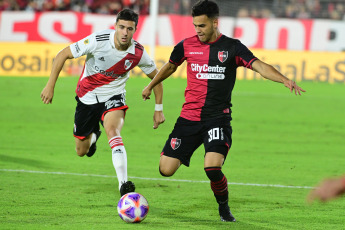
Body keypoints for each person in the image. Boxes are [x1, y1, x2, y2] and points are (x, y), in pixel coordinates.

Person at [142, 0, 305, 222]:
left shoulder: (232, 47)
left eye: (202, 26)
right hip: (188, 119)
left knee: (211, 166)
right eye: (195, 26)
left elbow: (259, 65)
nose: (198, 30)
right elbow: (170, 66)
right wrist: (150, 85)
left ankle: (224, 207)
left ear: (215, 22)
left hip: (217, 119)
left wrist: (284, 79)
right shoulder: (186, 45)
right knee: (166, 169)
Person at [40, 9, 165, 197]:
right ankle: (94, 136)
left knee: (113, 131)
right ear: (115, 26)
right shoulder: (98, 41)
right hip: (86, 98)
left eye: (129, 29)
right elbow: (63, 54)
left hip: (113, 97)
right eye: (121, 27)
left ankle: (123, 184)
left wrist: (158, 108)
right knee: (81, 151)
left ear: (135, 30)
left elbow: (157, 77)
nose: (125, 32)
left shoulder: (137, 52)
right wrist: (50, 86)